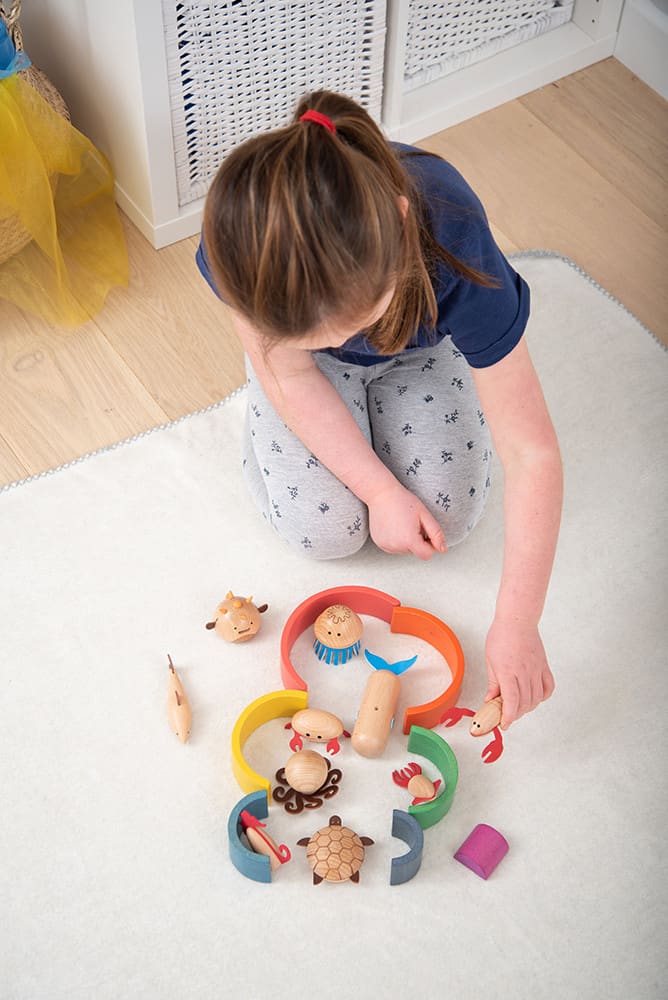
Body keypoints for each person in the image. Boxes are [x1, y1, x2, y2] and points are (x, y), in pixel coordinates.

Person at [197, 90, 562, 731]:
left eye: (350, 322)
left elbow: (532, 452)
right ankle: (274, 406)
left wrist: (518, 621)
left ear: (399, 223)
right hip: (300, 374)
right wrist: (378, 489)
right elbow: (292, 370)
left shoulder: (454, 235)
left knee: (449, 515)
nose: (339, 339)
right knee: (324, 531)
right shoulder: (241, 247)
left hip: (418, 348)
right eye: (313, 333)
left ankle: (364, 361)